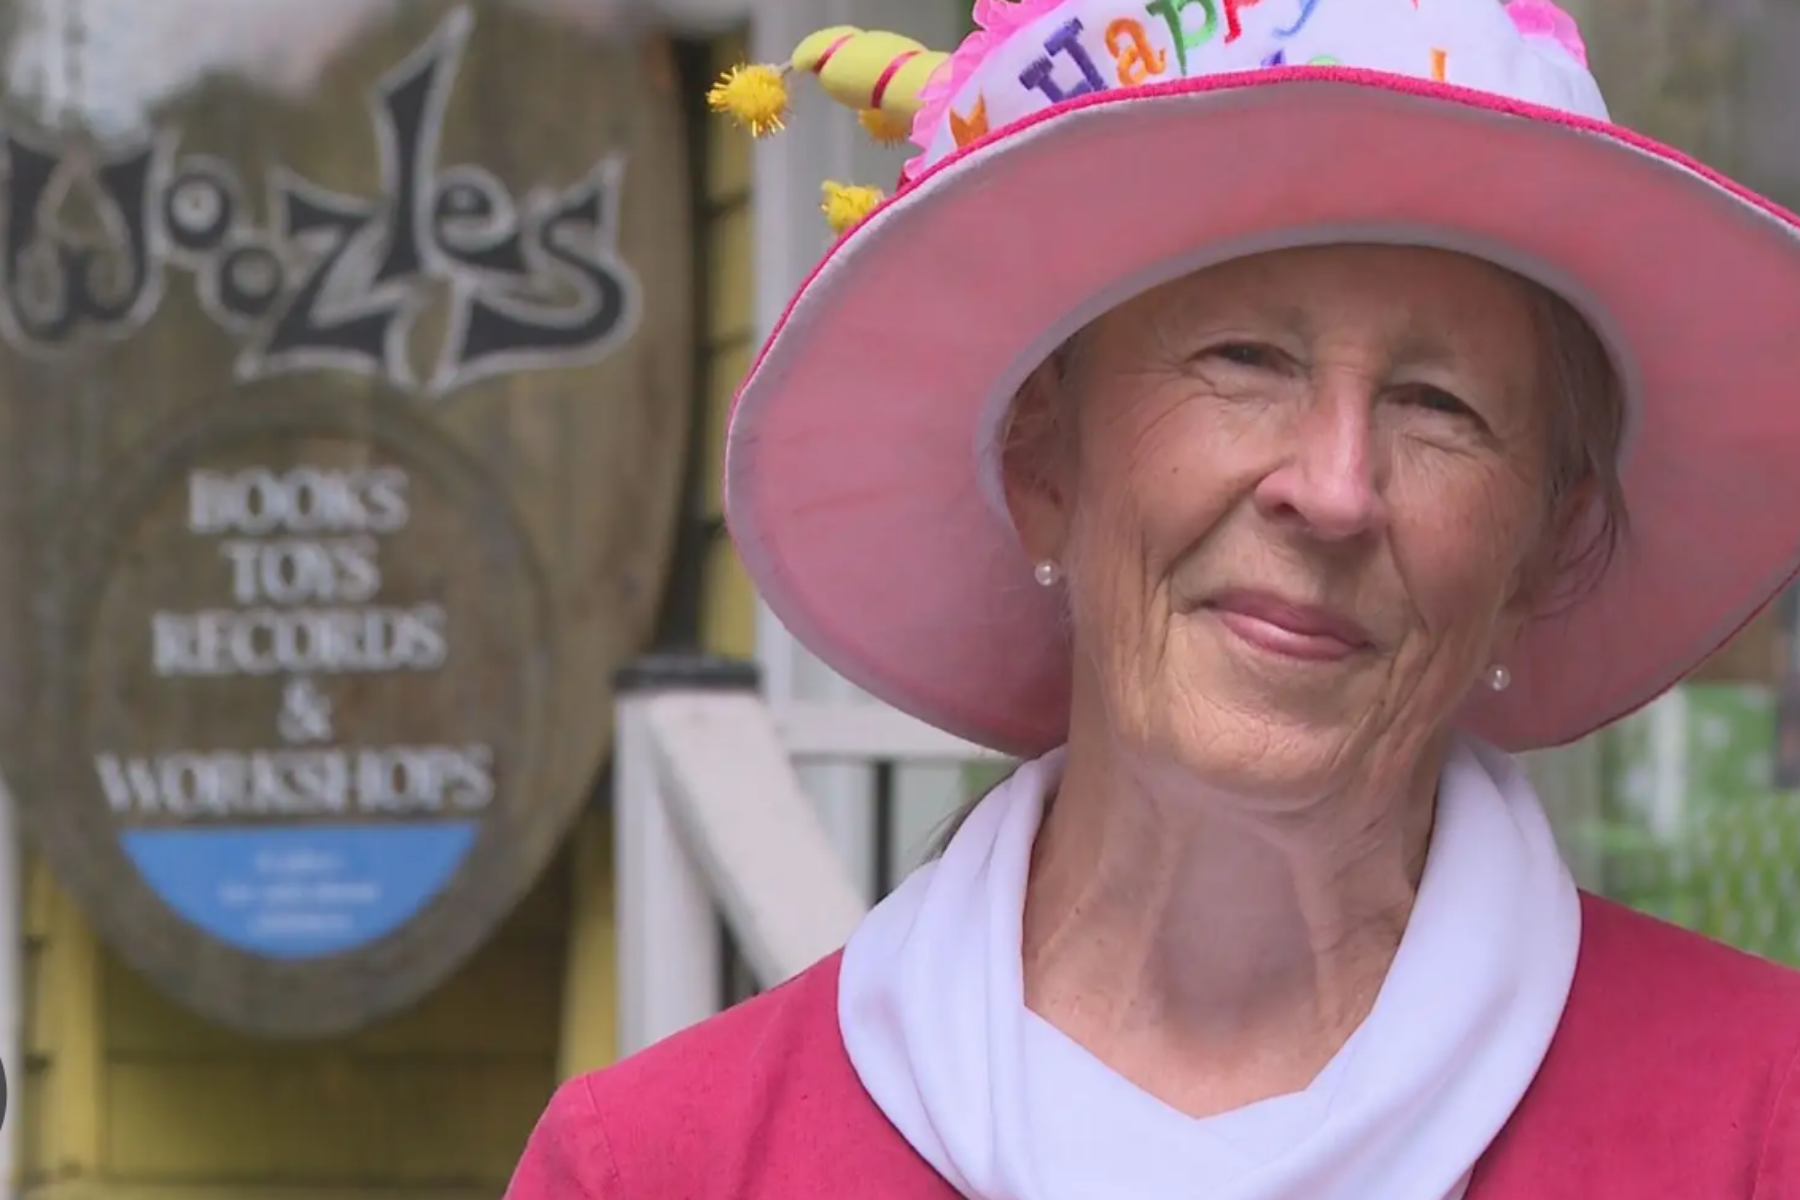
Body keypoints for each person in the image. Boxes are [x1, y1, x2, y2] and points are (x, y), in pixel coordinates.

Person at [507, 1, 1800, 1196]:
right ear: (1042, 462)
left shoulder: (1760, 1123)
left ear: (1541, 552)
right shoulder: (665, 1166)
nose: (1334, 489)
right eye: (1246, 358)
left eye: (1438, 405)